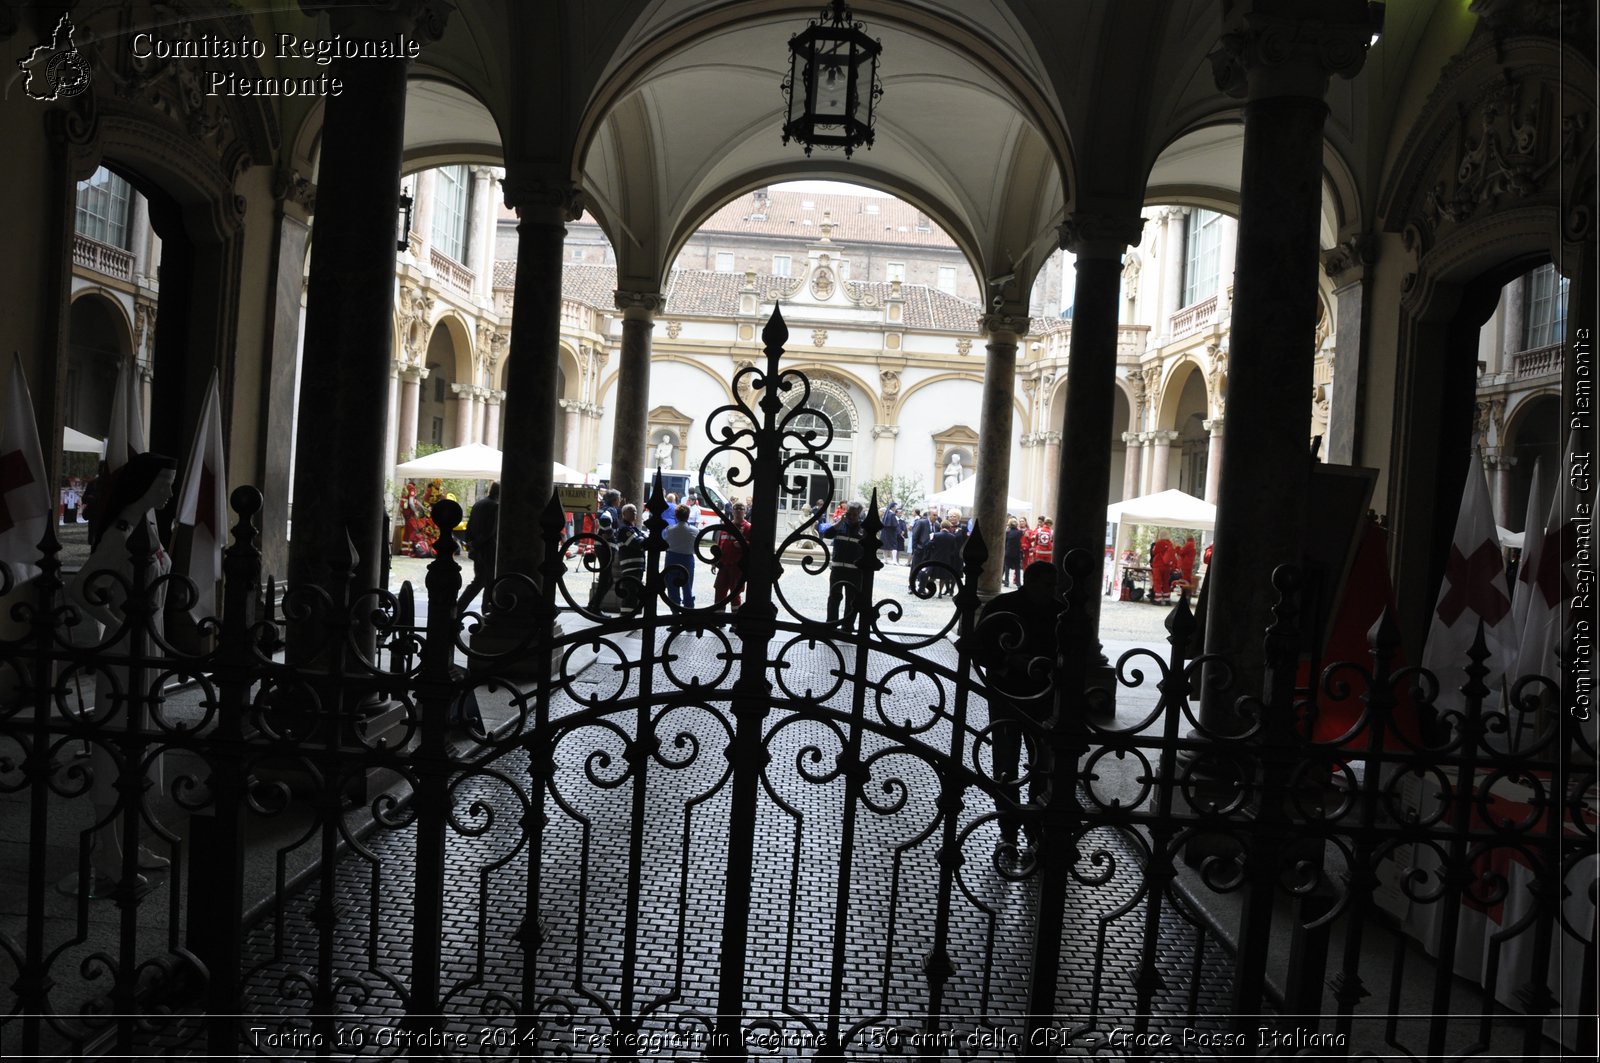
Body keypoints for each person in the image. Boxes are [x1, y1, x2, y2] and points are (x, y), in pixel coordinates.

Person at [67, 452, 180, 890]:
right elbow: (81, 588)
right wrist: (120, 629)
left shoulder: (149, 523)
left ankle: (129, 842)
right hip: (126, 656)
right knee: (116, 747)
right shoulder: (121, 531)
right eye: (164, 483)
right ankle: (107, 852)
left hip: (149, 649)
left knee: (142, 746)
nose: (169, 491)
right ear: (144, 485)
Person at [973, 561, 1062, 856]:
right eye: (1048, 586)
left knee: (1035, 766)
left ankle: (1031, 829)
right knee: (1009, 765)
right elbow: (979, 648)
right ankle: (1011, 831)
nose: (1052, 592)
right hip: (1014, 696)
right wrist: (1008, 661)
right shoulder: (1009, 607)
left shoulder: (1047, 610)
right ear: (1032, 582)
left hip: (1027, 696)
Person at [820, 499, 867, 631]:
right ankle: (831, 626)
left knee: (852, 601)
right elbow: (827, 534)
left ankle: (847, 627)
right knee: (834, 598)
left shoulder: (863, 529)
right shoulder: (840, 526)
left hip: (855, 571)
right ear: (846, 513)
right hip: (838, 569)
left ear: (859, 514)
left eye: (855, 515)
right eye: (849, 514)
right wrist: (839, 522)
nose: (851, 517)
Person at [456, 481, 500, 615]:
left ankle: (459, 609)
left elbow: (469, 526)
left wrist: (471, 543)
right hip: (488, 549)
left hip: (477, 548)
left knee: (481, 581)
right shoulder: (495, 506)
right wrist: (478, 543)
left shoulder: (478, 504)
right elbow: (490, 530)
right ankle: (485, 610)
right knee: (488, 581)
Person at [712, 500, 752, 609]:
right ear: (732, 511)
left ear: (746, 511)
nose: (738, 510)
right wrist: (715, 561)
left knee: (735, 593)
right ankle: (719, 619)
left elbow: (754, 545)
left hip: (737, 566)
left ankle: (735, 622)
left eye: (741, 508)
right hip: (724, 564)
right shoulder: (726, 526)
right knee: (720, 590)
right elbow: (719, 544)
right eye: (736, 508)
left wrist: (743, 544)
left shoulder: (748, 527)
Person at [613, 503, 647, 612]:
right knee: (630, 592)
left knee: (635, 592)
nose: (635, 513)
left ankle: (631, 615)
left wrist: (643, 540)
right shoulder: (624, 529)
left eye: (635, 511)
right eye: (631, 511)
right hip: (630, 566)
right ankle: (626, 617)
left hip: (637, 566)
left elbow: (644, 540)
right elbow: (639, 544)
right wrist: (643, 541)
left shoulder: (634, 529)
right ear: (624, 514)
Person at [663, 502, 697, 609]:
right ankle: (688, 611)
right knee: (687, 587)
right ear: (688, 516)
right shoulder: (694, 531)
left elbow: (666, 542)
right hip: (687, 559)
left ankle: (675, 612)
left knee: (672, 587)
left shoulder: (670, 530)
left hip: (672, 558)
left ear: (676, 515)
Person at [929, 518, 964, 597]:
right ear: (949, 527)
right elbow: (954, 549)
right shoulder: (952, 537)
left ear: (941, 526)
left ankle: (929, 591)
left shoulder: (935, 535)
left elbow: (930, 546)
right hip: (946, 560)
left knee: (932, 576)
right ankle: (940, 593)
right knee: (943, 577)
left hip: (935, 558)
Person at [908, 507, 933, 592]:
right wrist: (915, 548)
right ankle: (911, 586)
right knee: (915, 569)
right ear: (929, 515)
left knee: (925, 570)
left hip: (929, 552)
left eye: (937, 515)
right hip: (919, 550)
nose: (936, 517)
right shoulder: (921, 522)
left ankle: (921, 587)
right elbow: (915, 536)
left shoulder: (936, 524)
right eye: (934, 515)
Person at [879, 500, 905, 565]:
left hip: (884, 532)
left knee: (885, 546)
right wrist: (900, 531)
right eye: (895, 507)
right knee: (894, 546)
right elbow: (895, 525)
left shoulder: (886, 513)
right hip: (891, 532)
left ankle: (885, 559)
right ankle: (894, 560)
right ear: (892, 507)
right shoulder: (892, 514)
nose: (896, 508)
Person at [1002, 517, 1024, 587]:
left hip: (1008, 552)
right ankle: (1018, 583)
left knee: (1007, 567)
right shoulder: (1020, 533)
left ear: (1009, 524)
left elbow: (1005, 543)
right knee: (1017, 568)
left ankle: (1006, 582)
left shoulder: (1007, 533)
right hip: (1017, 553)